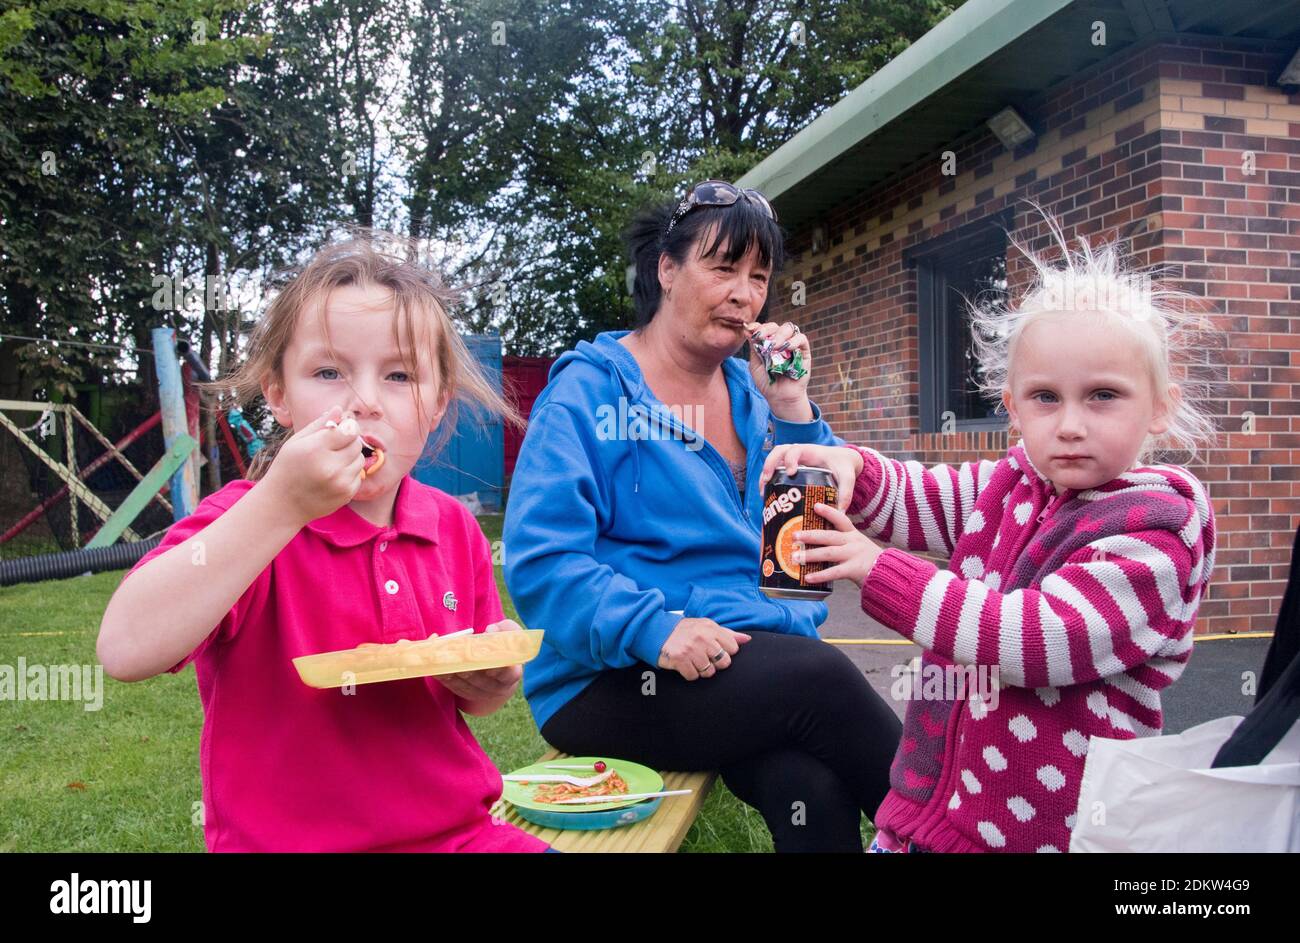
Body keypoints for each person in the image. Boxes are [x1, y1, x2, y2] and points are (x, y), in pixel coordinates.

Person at [763, 215, 1218, 853]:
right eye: (1045, 398)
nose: (1069, 425)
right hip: (930, 813)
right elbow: (924, 498)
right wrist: (856, 470)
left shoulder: (1155, 528)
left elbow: (1036, 640)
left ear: (1160, 406)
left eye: (1103, 396)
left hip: (1044, 834)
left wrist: (879, 569)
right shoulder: (1016, 483)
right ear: (1012, 403)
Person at [97, 238, 548, 852]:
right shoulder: (246, 521)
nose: (363, 401)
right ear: (278, 395)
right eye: (329, 372)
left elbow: (468, 696)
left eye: (399, 375)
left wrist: (490, 683)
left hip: (457, 836)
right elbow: (124, 648)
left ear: (438, 404)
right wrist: (279, 506)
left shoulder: (452, 527)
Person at [504, 181, 902, 852]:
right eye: (723, 268)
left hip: (741, 667)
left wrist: (794, 404)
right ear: (666, 269)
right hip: (611, 675)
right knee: (823, 679)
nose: (744, 293)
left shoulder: (756, 397)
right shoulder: (589, 391)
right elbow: (544, 563)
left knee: (810, 786)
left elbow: (803, 558)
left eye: (759, 276)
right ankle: (964, 840)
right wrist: (652, 627)